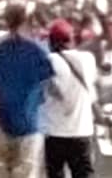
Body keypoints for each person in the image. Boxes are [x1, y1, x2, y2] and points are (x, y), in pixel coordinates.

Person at [0, 2, 53, 178]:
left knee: (8, 172)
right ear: (26, 20)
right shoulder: (37, 51)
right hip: (31, 122)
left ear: (6, 21)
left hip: (5, 123)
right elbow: (48, 86)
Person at [41, 18, 97, 178]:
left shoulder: (49, 62)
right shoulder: (88, 59)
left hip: (54, 133)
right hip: (81, 131)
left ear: (52, 42)